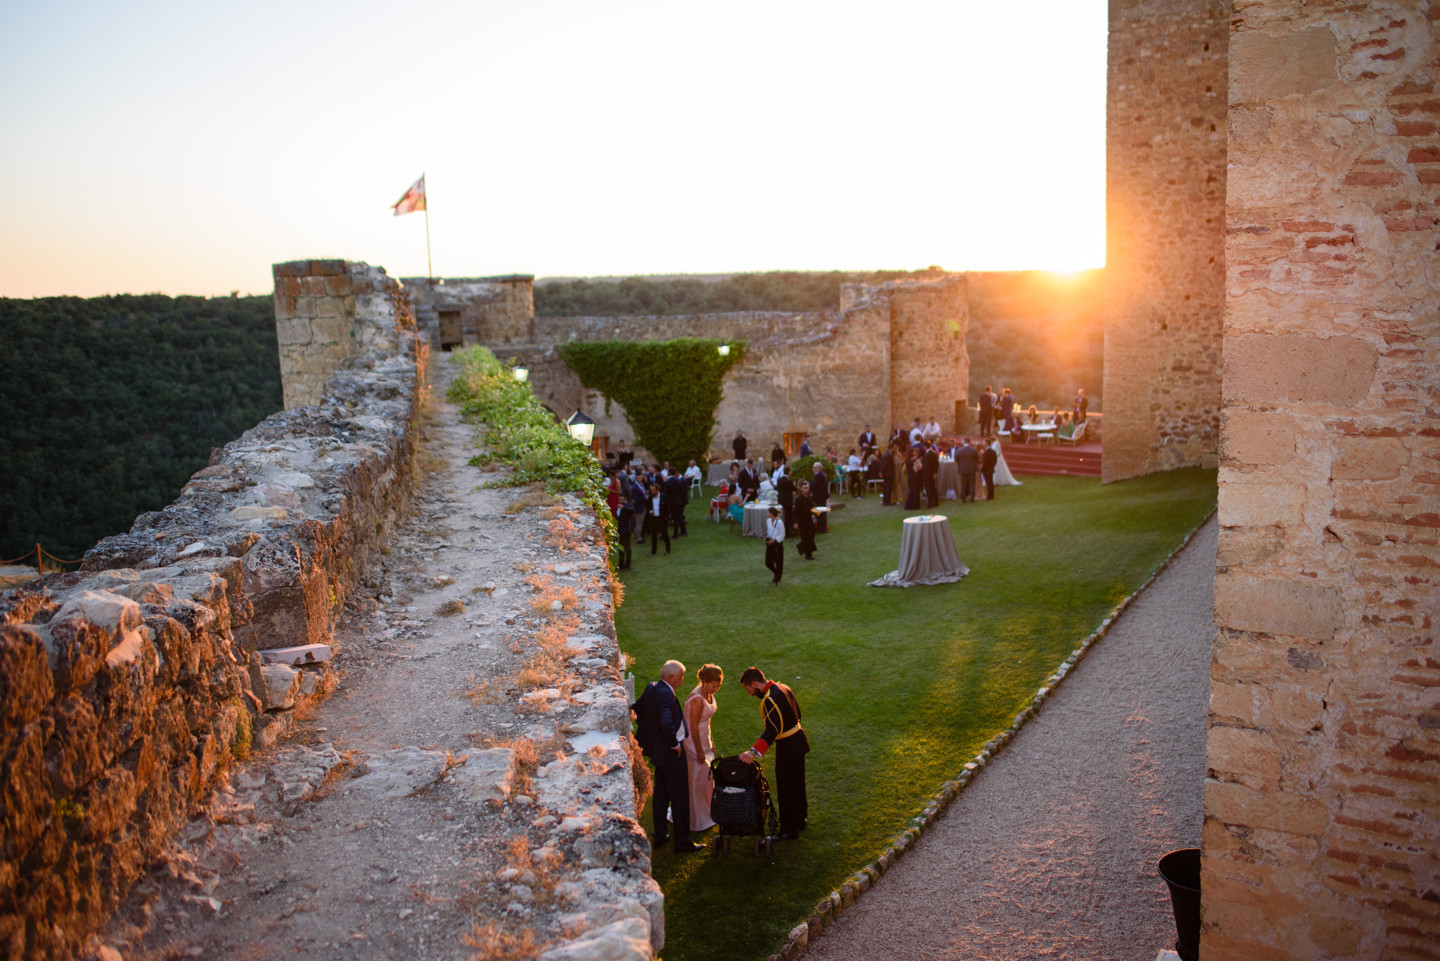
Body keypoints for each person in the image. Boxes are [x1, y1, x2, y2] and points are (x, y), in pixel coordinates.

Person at [632, 660, 701, 852]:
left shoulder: (651, 687)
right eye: (680, 678)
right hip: (671, 753)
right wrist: (674, 744)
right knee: (679, 796)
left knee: (661, 794)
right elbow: (664, 721)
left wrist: (649, 737)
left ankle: (660, 835)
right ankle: (683, 841)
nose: (681, 682)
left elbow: (637, 709)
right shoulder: (666, 695)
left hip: (658, 753)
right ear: (670, 677)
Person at [738, 668, 809, 840]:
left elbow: (772, 730)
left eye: (748, 689)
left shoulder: (770, 700)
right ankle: (800, 819)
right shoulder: (782, 687)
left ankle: (788, 830)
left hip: (788, 746)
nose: (749, 694)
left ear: (755, 684)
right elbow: (797, 713)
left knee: (786, 788)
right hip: (799, 740)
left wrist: (753, 752)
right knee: (798, 784)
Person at [684, 664, 723, 832]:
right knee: (698, 778)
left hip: (705, 739)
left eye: (718, 686)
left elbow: (707, 720)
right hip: (694, 742)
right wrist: (699, 751)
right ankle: (696, 818)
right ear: (705, 682)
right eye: (714, 685)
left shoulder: (707, 694)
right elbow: (692, 727)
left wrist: (711, 741)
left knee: (707, 778)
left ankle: (708, 810)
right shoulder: (697, 699)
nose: (716, 689)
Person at [643, 481, 671, 555]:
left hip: (661, 518)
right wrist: (649, 511)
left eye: (653, 490)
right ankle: (653, 551)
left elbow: (667, 508)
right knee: (654, 535)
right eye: (651, 490)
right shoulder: (650, 498)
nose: (652, 492)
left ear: (657, 490)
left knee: (665, 534)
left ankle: (668, 550)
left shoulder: (664, 497)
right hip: (653, 518)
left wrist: (666, 517)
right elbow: (647, 506)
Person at [793, 481, 816, 559]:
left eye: (807, 488)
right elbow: (795, 512)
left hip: (809, 519)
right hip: (802, 520)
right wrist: (796, 522)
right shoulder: (798, 499)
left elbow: (813, 507)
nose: (806, 489)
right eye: (804, 488)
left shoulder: (810, 497)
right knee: (806, 536)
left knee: (812, 534)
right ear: (801, 489)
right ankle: (808, 555)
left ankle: (801, 545)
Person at [664, 469, 689, 538]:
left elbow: (665, 494)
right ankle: (682, 531)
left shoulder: (668, 482)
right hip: (679, 501)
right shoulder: (679, 481)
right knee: (679, 516)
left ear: (669, 473)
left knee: (675, 518)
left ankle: (676, 533)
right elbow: (684, 491)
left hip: (671, 503)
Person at [764, 505, 785, 586]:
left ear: (772, 513)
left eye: (768, 512)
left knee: (778, 562)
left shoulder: (779, 522)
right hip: (770, 543)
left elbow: (782, 534)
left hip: (777, 544)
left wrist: (775, 540)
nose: (767, 514)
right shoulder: (768, 521)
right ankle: (777, 573)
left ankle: (777, 578)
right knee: (768, 562)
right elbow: (769, 531)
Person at [955, 437, 980, 503]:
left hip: (963, 469)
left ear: (964, 442)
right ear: (970, 442)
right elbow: (977, 458)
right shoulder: (974, 450)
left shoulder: (959, 450)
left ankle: (963, 498)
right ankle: (972, 498)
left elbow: (956, 459)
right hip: (972, 469)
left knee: (963, 484)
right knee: (972, 484)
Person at [774, 463, 795, 535]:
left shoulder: (779, 480)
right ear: (789, 472)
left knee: (783, 516)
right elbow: (794, 489)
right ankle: (788, 532)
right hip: (788, 502)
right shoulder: (789, 481)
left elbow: (777, 488)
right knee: (788, 517)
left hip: (781, 500)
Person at [810, 461, 829, 533]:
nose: (813, 469)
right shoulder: (821, 474)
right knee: (821, 513)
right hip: (821, 496)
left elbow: (814, 484)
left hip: (820, 497)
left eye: (815, 467)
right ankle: (822, 527)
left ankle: (822, 528)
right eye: (813, 467)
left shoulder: (819, 475)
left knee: (821, 513)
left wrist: (808, 487)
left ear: (819, 468)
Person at [615, 499, 633, 570]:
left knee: (627, 547)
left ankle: (627, 565)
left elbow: (632, 510)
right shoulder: (618, 507)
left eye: (622, 499)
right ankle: (621, 564)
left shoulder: (628, 505)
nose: (620, 500)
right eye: (620, 499)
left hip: (626, 530)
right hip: (620, 530)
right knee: (620, 547)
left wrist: (624, 507)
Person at [923, 441, 940, 508]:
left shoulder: (927, 454)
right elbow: (936, 464)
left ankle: (930, 503)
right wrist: (935, 472)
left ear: (925, 446)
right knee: (933, 487)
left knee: (929, 488)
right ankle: (936, 501)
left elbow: (927, 466)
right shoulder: (934, 453)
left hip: (928, 474)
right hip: (932, 473)